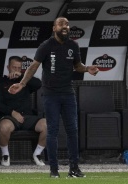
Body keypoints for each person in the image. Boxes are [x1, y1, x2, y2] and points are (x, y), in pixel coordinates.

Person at [8, 17, 99, 178]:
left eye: (67, 24)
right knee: (53, 131)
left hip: (68, 93)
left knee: (73, 131)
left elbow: (77, 66)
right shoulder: (46, 46)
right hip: (51, 95)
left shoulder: (73, 45)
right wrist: (21, 84)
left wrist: (87, 69)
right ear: (54, 28)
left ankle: (74, 169)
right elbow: (33, 66)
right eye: (62, 24)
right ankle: (54, 170)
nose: (65, 27)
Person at [0, 56, 47, 167]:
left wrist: (23, 77)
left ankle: (37, 154)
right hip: (10, 117)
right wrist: (12, 112)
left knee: (48, 124)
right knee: (3, 127)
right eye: (14, 67)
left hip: (28, 117)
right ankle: (5, 155)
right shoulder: (0, 82)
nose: (16, 70)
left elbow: (39, 84)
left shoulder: (25, 82)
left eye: (19, 68)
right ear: (8, 67)